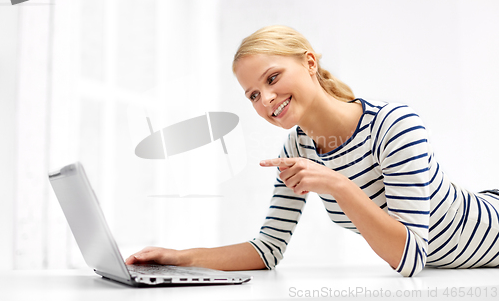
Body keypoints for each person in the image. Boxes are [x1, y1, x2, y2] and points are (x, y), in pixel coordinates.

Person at [126, 25, 499, 277]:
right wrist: (180, 258)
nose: (266, 99)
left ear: (309, 62)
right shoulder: (298, 146)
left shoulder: (393, 125)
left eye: (272, 78)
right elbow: (268, 248)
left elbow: (412, 258)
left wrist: (337, 184)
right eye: (253, 95)